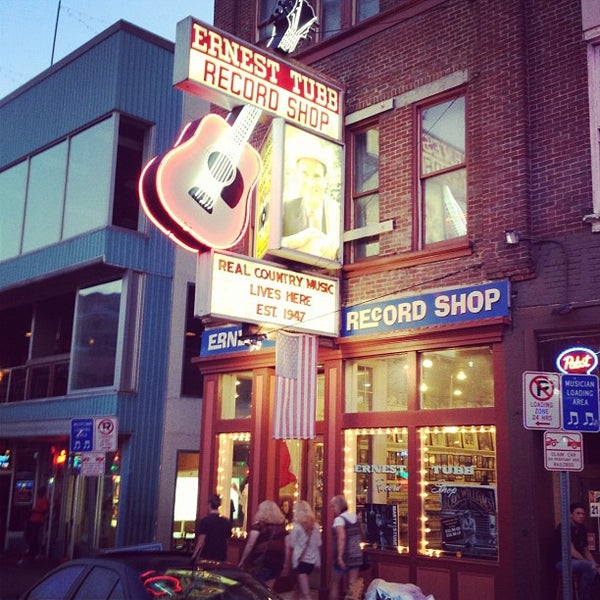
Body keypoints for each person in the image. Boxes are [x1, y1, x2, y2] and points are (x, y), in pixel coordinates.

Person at [281, 153, 340, 260]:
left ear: (325, 180)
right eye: (304, 174)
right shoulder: (285, 207)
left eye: (316, 176)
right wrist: (295, 241)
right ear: (296, 177)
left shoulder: (337, 212)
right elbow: (268, 245)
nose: (310, 183)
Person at [553, 502, 600, 600]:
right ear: (570, 514)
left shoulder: (582, 529)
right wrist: (589, 564)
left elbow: (586, 550)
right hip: (562, 562)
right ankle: (584, 597)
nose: (581, 516)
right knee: (590, 567)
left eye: (583, 514)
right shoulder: (564, 527)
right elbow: (572, 551)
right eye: (578, 513)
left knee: (595, 568)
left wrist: (596, 565)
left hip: (577, 562)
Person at [238, 499, 288, 589]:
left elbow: (250, 544)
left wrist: (242, 560)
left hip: (262, 561)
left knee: (257, 589)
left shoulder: (258, 526)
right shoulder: (281, 528)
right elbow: (286, 547)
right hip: (277, 561)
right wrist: (285, 564)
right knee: (268, 590)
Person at [283, 500, 322, 600]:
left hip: (300, 561)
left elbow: (292, 544)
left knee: (306, 593)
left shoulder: (297, 527)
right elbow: (319, 544)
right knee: (298, 588)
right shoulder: (316, 527)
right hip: (312, 560)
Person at [330, 494, 363, 600]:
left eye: (333, 506)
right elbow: (361, 534)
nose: (332, 509)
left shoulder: (339, 520)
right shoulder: (355, 517)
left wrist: (339, 556)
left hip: (344, 555)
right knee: (353, 583)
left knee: (334, 584)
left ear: (338, 506)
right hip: (356, 553)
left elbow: (342, 537)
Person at [192, 493, 232, 562]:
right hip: (221, 556)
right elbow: (227, 541)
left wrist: (194, 556)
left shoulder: (205, 521)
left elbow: (201, 542)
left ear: (209, 505)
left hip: (207, 555)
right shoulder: (226, 522)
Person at [21, 486, 50, 563]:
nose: (37, 493)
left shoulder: (44, 500)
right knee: (29, 535)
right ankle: (31, 550)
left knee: (34, 536)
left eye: (39, 492)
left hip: (37, 520)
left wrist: (35, 511)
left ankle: (34, 551)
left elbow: (45, 510)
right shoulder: (40, 499)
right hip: (33, 519)